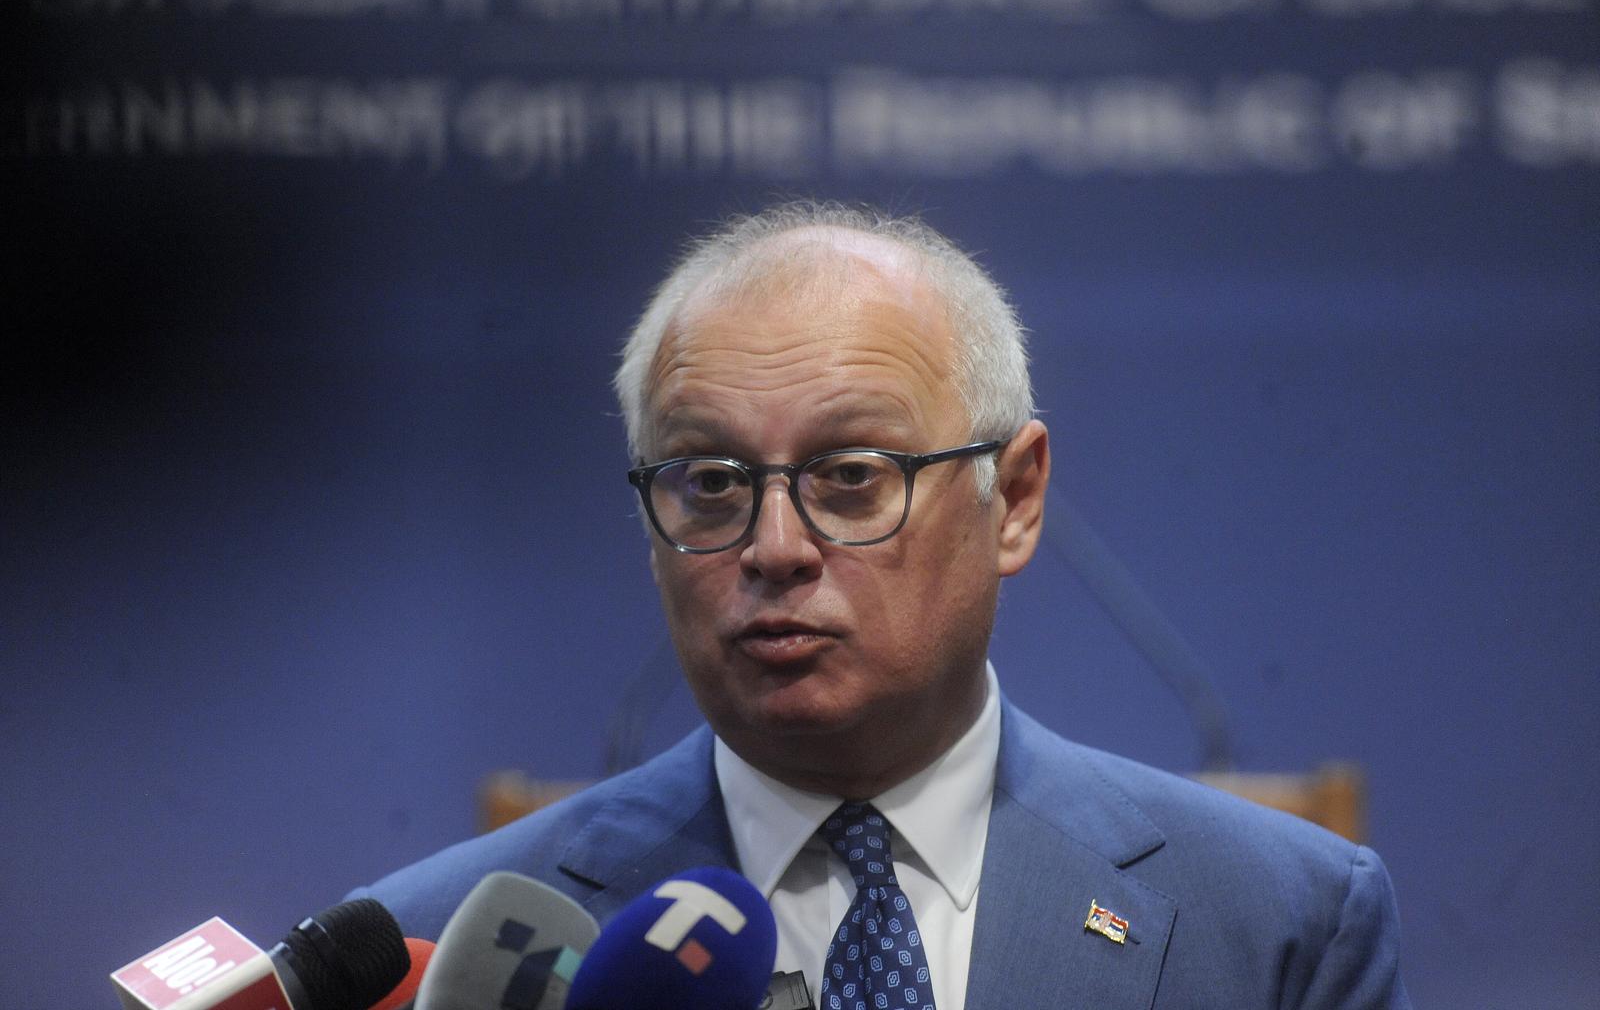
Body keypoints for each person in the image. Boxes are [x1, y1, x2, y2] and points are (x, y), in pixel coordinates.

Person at [354, 201, 1410, 1008]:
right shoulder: (436, 949)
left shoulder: (1281, 922)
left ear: (1016, 498)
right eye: (711, 479)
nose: (772, 547)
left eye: (851, 472)